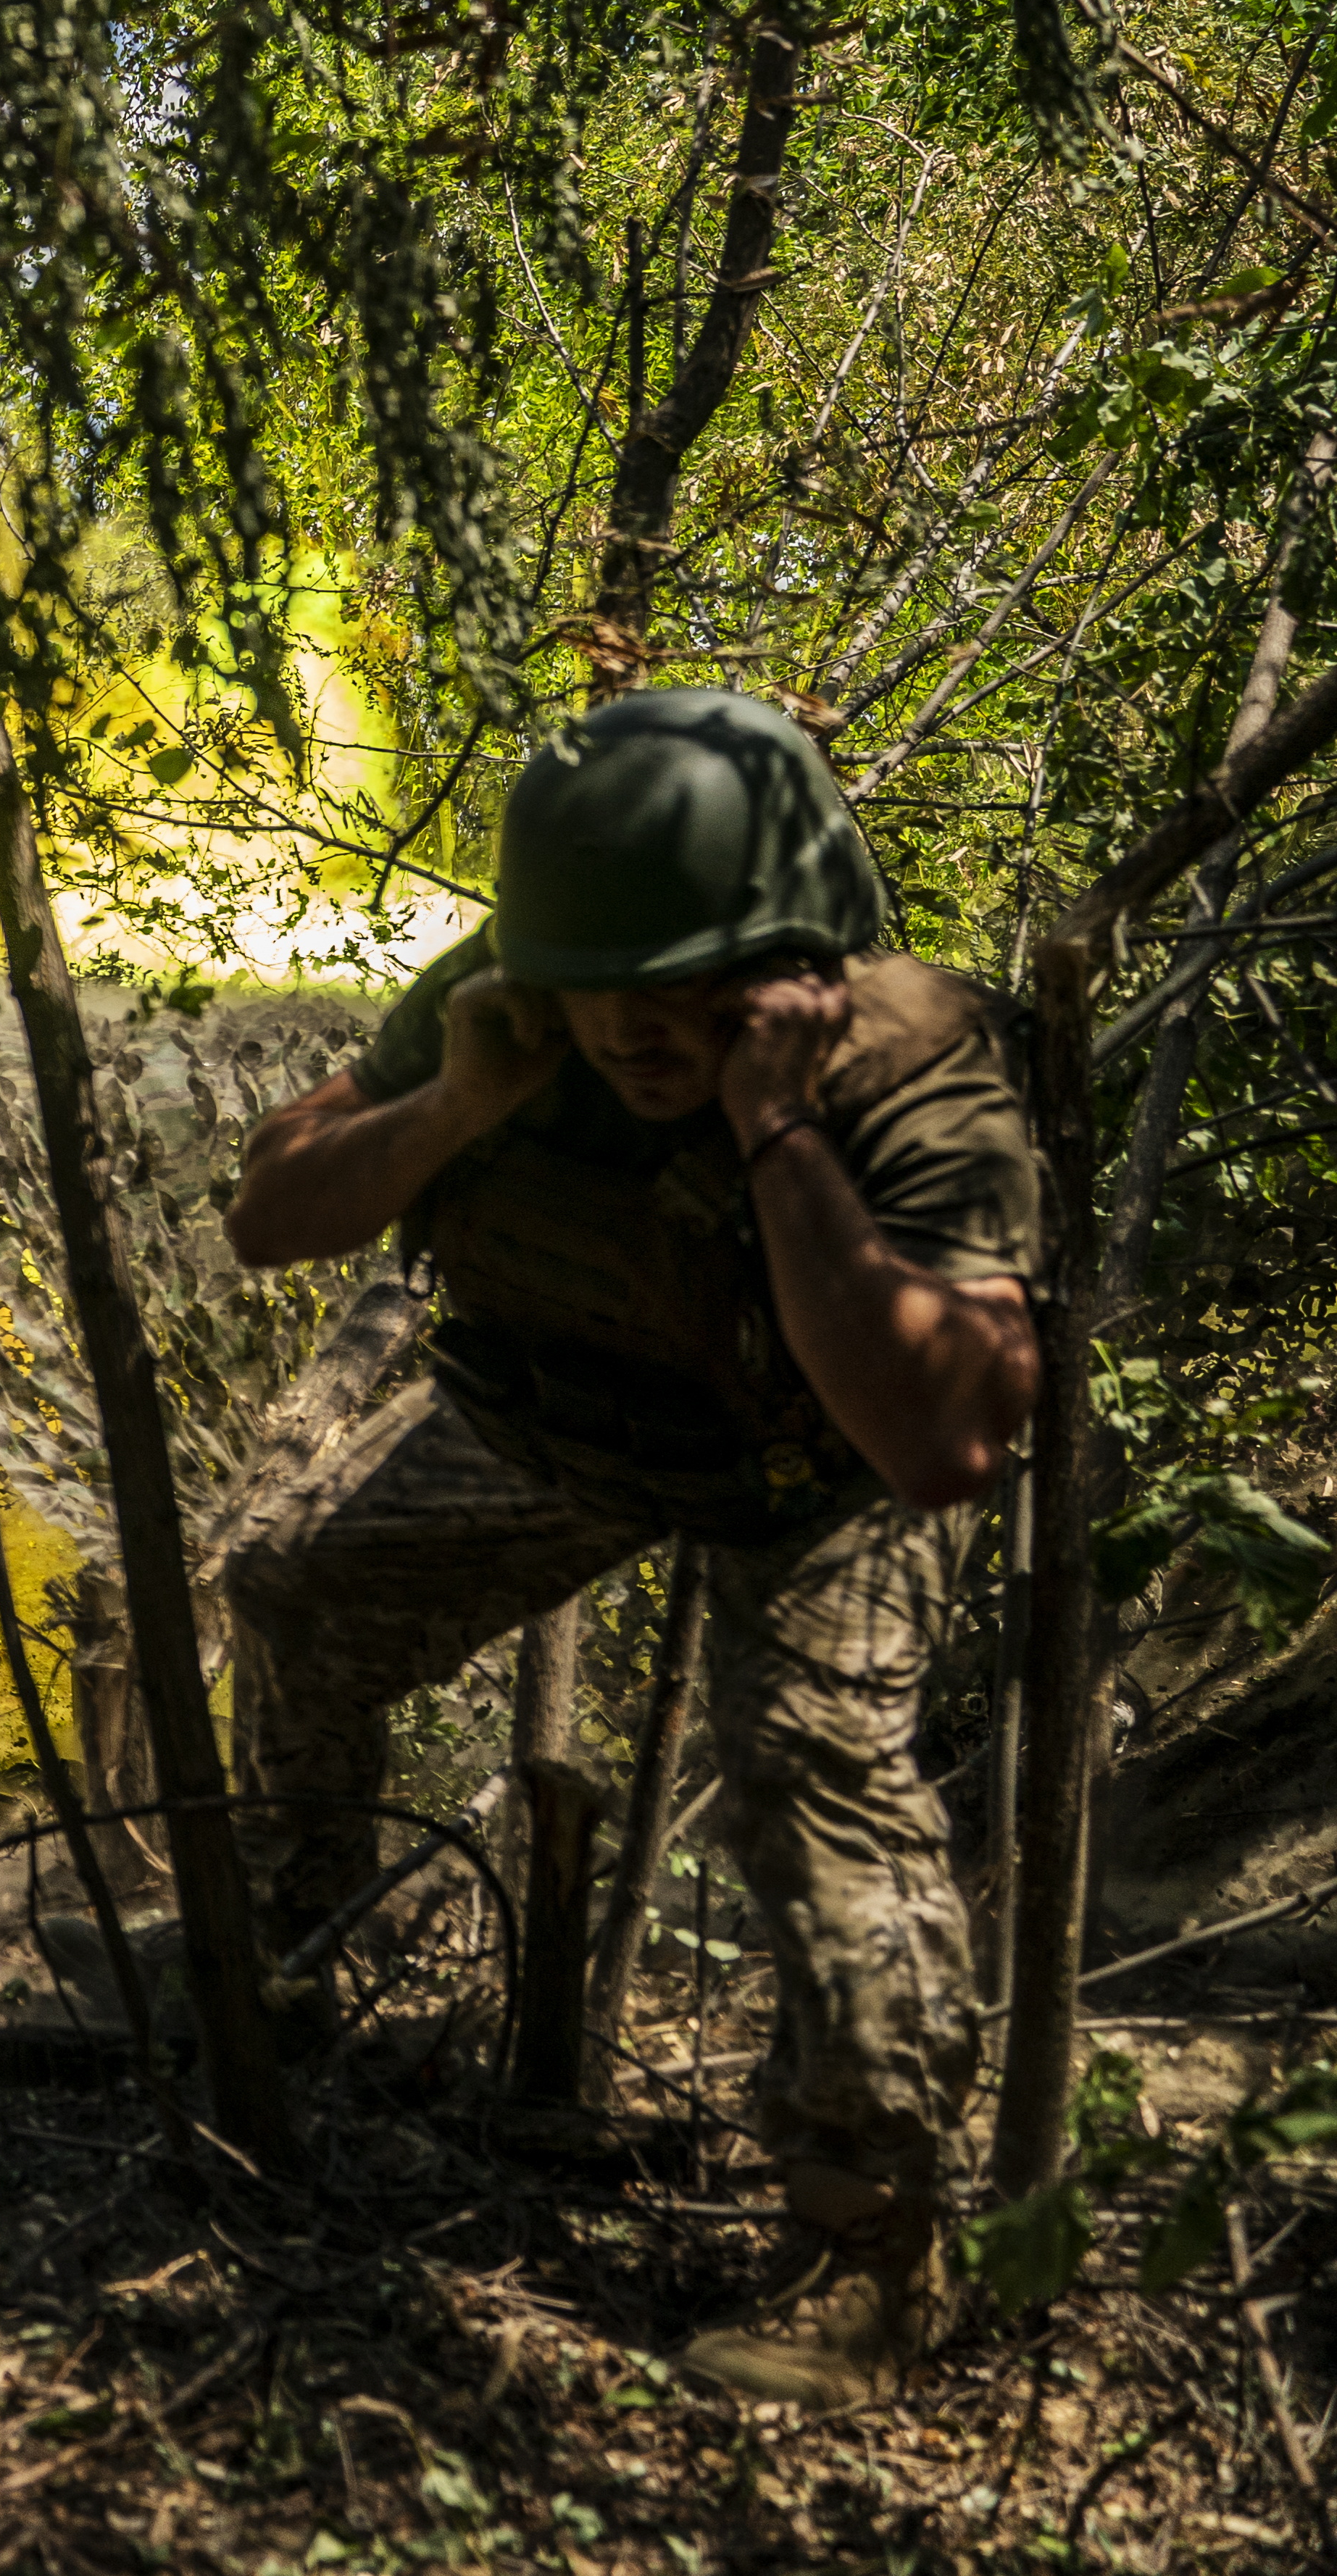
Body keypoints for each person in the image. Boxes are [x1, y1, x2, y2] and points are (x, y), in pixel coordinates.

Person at [215, 685, 1040, 2410]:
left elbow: (945, 1437)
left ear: (797, 958)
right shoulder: (508, 999)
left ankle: (873, 2247)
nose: (633, 1023)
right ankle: (285, 1981)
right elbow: (267, 1208)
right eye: (601, 981)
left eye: (690, 983)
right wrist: (455, 1105)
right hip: (560, 1426)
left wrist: (778, 1126)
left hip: (822, 1473)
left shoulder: (914, 1056)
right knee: (299, 1584)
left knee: (812, 1753)